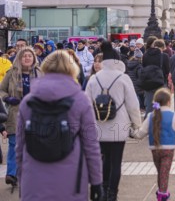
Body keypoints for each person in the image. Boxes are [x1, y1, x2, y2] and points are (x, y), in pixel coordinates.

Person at [15, 50, 103, 200]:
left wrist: (21, 180)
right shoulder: (80, 100)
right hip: (71, 180)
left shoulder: (28, 102)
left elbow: (20, 147)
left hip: (34, 180)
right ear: (72, 69)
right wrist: (96, 181)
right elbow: (91, 145)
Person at [85, 41, 142, 200]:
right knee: (116, 162)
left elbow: (86, 104)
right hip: (119, 126)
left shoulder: (94, 79)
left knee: (103, 159)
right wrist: (136, 125)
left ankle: (102, 190)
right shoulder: (123, 78)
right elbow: (133, 105)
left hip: (99, 126)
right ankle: (112, 194)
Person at [135, 88, 175, 200]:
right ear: (169, 102)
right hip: (168, 150)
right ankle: (163, 195)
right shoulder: (173, 115)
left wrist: (132, 132)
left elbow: (140, 134)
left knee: (161, 172)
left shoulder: (150, 115)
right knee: (164, 173)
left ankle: (161, 192)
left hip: (154, 149)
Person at [0, 46, 43, 187]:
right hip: (15, 112)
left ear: (33, 58)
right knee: (14, 144)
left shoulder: (39, 73)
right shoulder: (11, 73)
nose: (27, 58)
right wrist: (7, 98)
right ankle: (12, 174)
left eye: (29, 56)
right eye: (24, 56)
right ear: (19, 58)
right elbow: (1, 90)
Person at [141, 37, 170, 114]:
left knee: (149, 105)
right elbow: (167, 70)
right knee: (158, 103)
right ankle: (156, 120)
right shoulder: (164, 56)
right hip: (160, 82)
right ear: (163, 47)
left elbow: (143, 67)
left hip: (148, 83)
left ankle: (148, 121)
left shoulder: (145, 54)